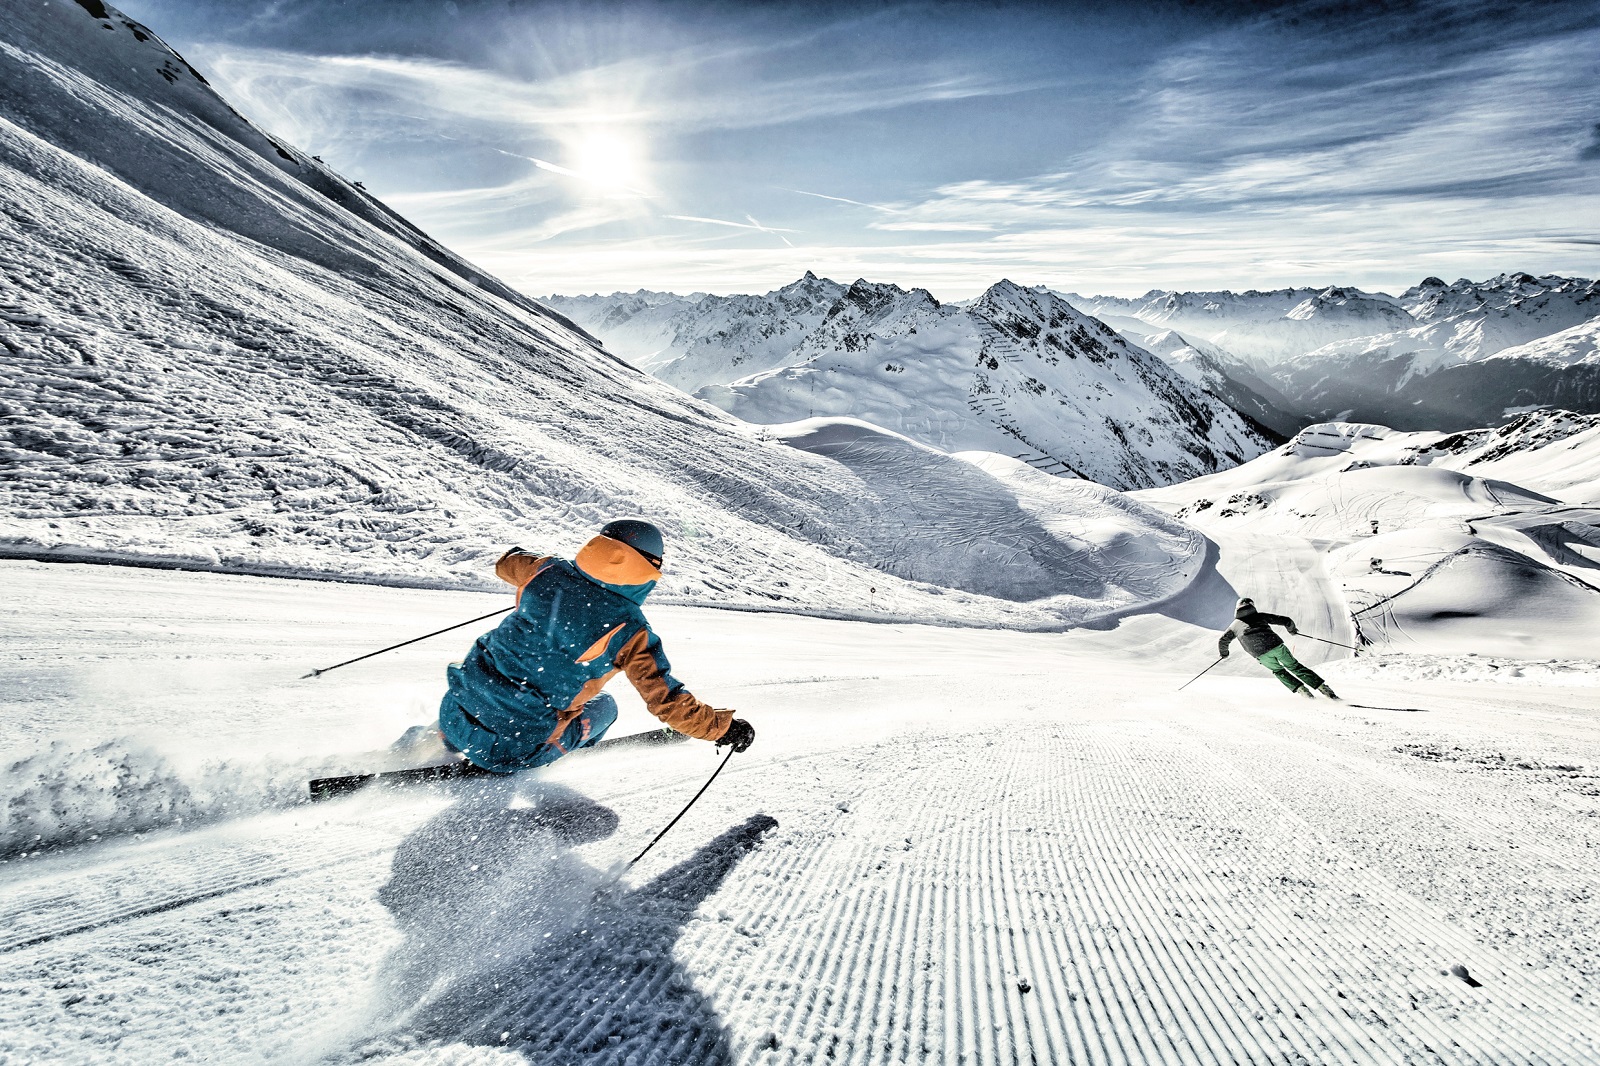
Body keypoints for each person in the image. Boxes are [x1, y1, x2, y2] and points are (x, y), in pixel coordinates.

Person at [398, 519, 754, 773]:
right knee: (606, 707)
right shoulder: (631, 631)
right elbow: (669, 703)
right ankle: (552, 747)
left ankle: (440, 737)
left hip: (453, 710)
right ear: (649, 569)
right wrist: (723, 728)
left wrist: (551, 574)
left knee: (496, 687)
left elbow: (507, 563)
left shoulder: (546, 572)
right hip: (512, 751)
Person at [1217, 597, 1340, 700]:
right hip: (1275, 646)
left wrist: (1224, 654)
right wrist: (1292, 630)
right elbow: (1285, 620)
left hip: (1260, 654)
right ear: (1252, 606)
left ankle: (1303, 692)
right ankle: (1325, 690)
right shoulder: (1260, 616)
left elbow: (1223, 640)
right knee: (1295, 666)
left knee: (1279, 671)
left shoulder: (1234, 626)